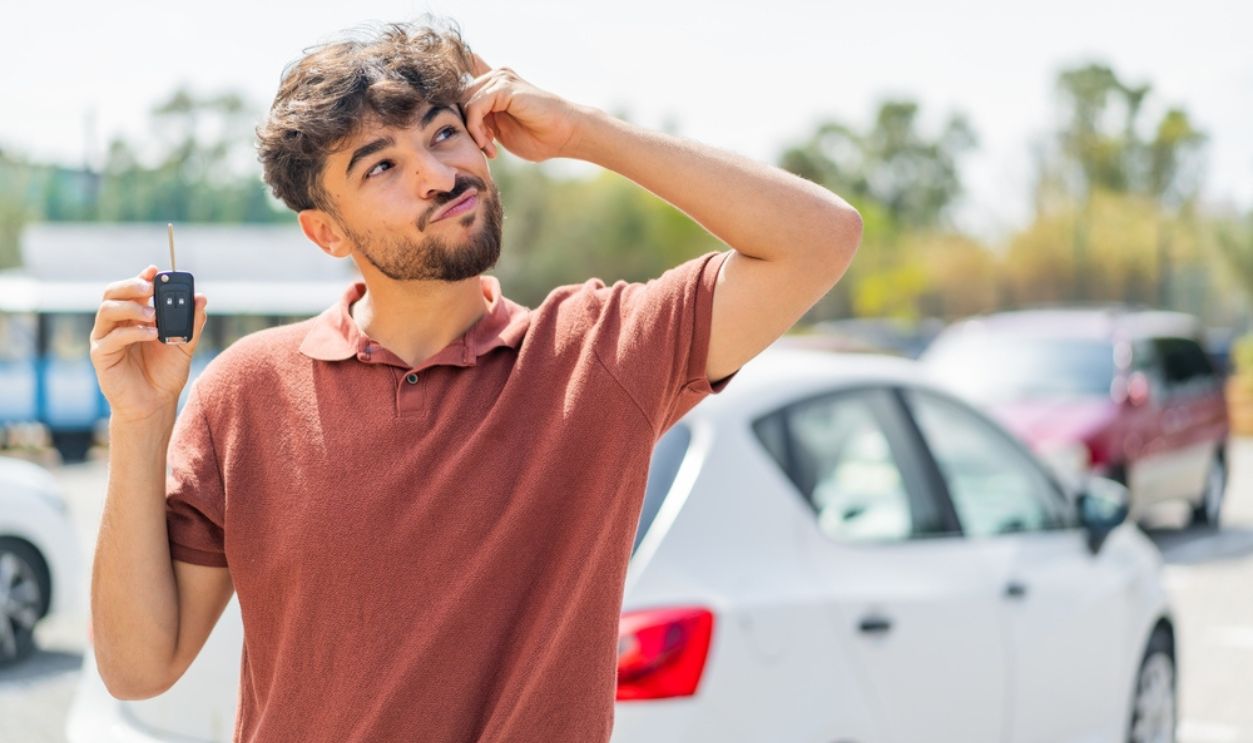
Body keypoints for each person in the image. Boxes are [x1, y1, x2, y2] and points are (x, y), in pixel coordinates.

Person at [87, 17, 862, 743]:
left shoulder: (598, 356)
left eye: (445, 132)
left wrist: (584, 131)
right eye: (383, 164)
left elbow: (821, 237)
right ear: (326, 231)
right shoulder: (246, 391)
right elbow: (137, 666)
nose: (437, 173)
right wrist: (141, 420)